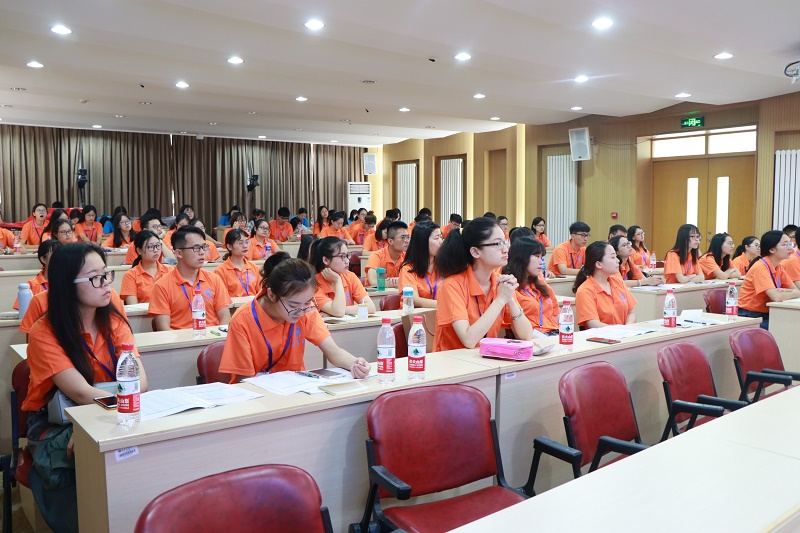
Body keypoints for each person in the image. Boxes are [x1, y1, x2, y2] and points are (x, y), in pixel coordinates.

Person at [23, 243, 148, 533]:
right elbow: (80, 392)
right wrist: (95, 424)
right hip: (55, 421)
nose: (105, 284)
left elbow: (141, 382)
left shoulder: (114, 320)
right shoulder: (44, 331)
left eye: (107, 274)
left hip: (111, 410)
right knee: (90, 454)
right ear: (67, 284)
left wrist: (107, 419)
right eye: (95, 278)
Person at [219, 254, 370, 381]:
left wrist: (355, 363)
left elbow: (333, 351)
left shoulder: (306, 309)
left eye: (307, 302)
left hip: (296, 388)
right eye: (293, 305)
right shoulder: (243, 320)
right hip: (257, 395)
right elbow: (244, 379)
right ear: (272, 295)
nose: (301, 311)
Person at [434, 217, 533, 351]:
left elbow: (527, 336)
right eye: (498, 244)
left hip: (486, 358)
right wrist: (500, 300)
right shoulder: (452, 285)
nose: (505, 249)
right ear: (475, 252)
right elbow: (469, 340)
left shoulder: (500, 282)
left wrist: (510, 300)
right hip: (453, 360)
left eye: (505, 242)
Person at [149, 226, 232, 330]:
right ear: (179, 253)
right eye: (196, 248)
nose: (202, 252)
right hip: (179, 339)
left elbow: (225, 317)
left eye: (204, 247)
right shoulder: (162, 286)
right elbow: (164, 329)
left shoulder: (214, 279)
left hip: (212, 337)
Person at [738, 230, 800, 329]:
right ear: (772, 249)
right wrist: (793, 293)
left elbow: (795, 289)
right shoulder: (760, 267)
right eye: (785, 244)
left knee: (793, 324)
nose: (790, 248)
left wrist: (787, 292)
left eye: (790, 244)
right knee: (789, 327)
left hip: (767, 313)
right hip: (749, 316)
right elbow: (777, 297)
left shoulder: (778, 267)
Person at [501, 237, 559, 335]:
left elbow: (557, 315)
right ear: (522, 257)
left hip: (554, 334)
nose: (541, 262)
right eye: (537, 256)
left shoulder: (542, 286)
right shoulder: (510, 287)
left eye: (541, 257)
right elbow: (515, 329)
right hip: (531, 337)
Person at [573, 241, 638, 329]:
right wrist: (619, 331)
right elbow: (593, 324)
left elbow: (631, 312)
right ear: (599, 264)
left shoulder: (618, 282)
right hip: (601, 336)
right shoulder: (585, 291)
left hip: (624, 334)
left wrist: (627, 328)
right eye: (613, 257)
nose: (618, 261)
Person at [310, 237, 375, 317]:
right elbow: (338, 312)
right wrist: (338, 281)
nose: (347, 261)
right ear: (326, 260)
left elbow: (371, 307)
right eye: (342, 256)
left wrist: (337, 312)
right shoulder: (313, 284)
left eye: (347, 256)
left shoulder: (350, 276)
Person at [398, 221, 442, 308]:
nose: (441, 242)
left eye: (441, 237)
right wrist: (445, 305)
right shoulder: (408, 268)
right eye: (436, 238)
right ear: (423, 242)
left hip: (439, 314)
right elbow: (414, 300)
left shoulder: (442, 266)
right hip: (415, 315)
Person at [120, 230, 172, 304]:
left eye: (158, 246)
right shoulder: (130, 275)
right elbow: (133, 307)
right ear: (139, 250)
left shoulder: (170, 271)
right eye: (150, 247)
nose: (155, 250)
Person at [13, 240, 61, 310]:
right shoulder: (30, 285)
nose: (60, 258)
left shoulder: (69, 282)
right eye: (55, 254)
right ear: (43, 259)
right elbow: (23, 312)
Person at [214, 229, 263, 297]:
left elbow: (261, 292)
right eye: (240, 243)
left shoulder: (255, 268)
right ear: (229, 246)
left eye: (247, 242)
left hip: (253, 303)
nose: (245, 246)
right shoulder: (220, 271)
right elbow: (222, 297)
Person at [366, 221, 409, 287]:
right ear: (390, 241)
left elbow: (414, 280)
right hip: (376, 293)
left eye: (408, 237)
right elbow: (373, 282)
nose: (407, 241)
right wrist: (394, 282)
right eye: (403, 237)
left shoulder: (407, 257)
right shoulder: (376, 256)